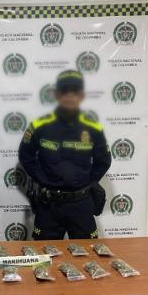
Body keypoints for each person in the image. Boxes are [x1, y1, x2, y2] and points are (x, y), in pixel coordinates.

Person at [18, 70, 111, 240]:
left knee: (87, 254)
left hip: (81, 203)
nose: (69, 96)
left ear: (81, 95)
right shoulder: (39, 126)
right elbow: (25, 156)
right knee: (45, 254)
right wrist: (43, 179)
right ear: (56, 94)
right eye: (64, 91)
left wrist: (86, 182)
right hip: (48, 205)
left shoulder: (93, 128)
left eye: (74, 91)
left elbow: (103, 160)